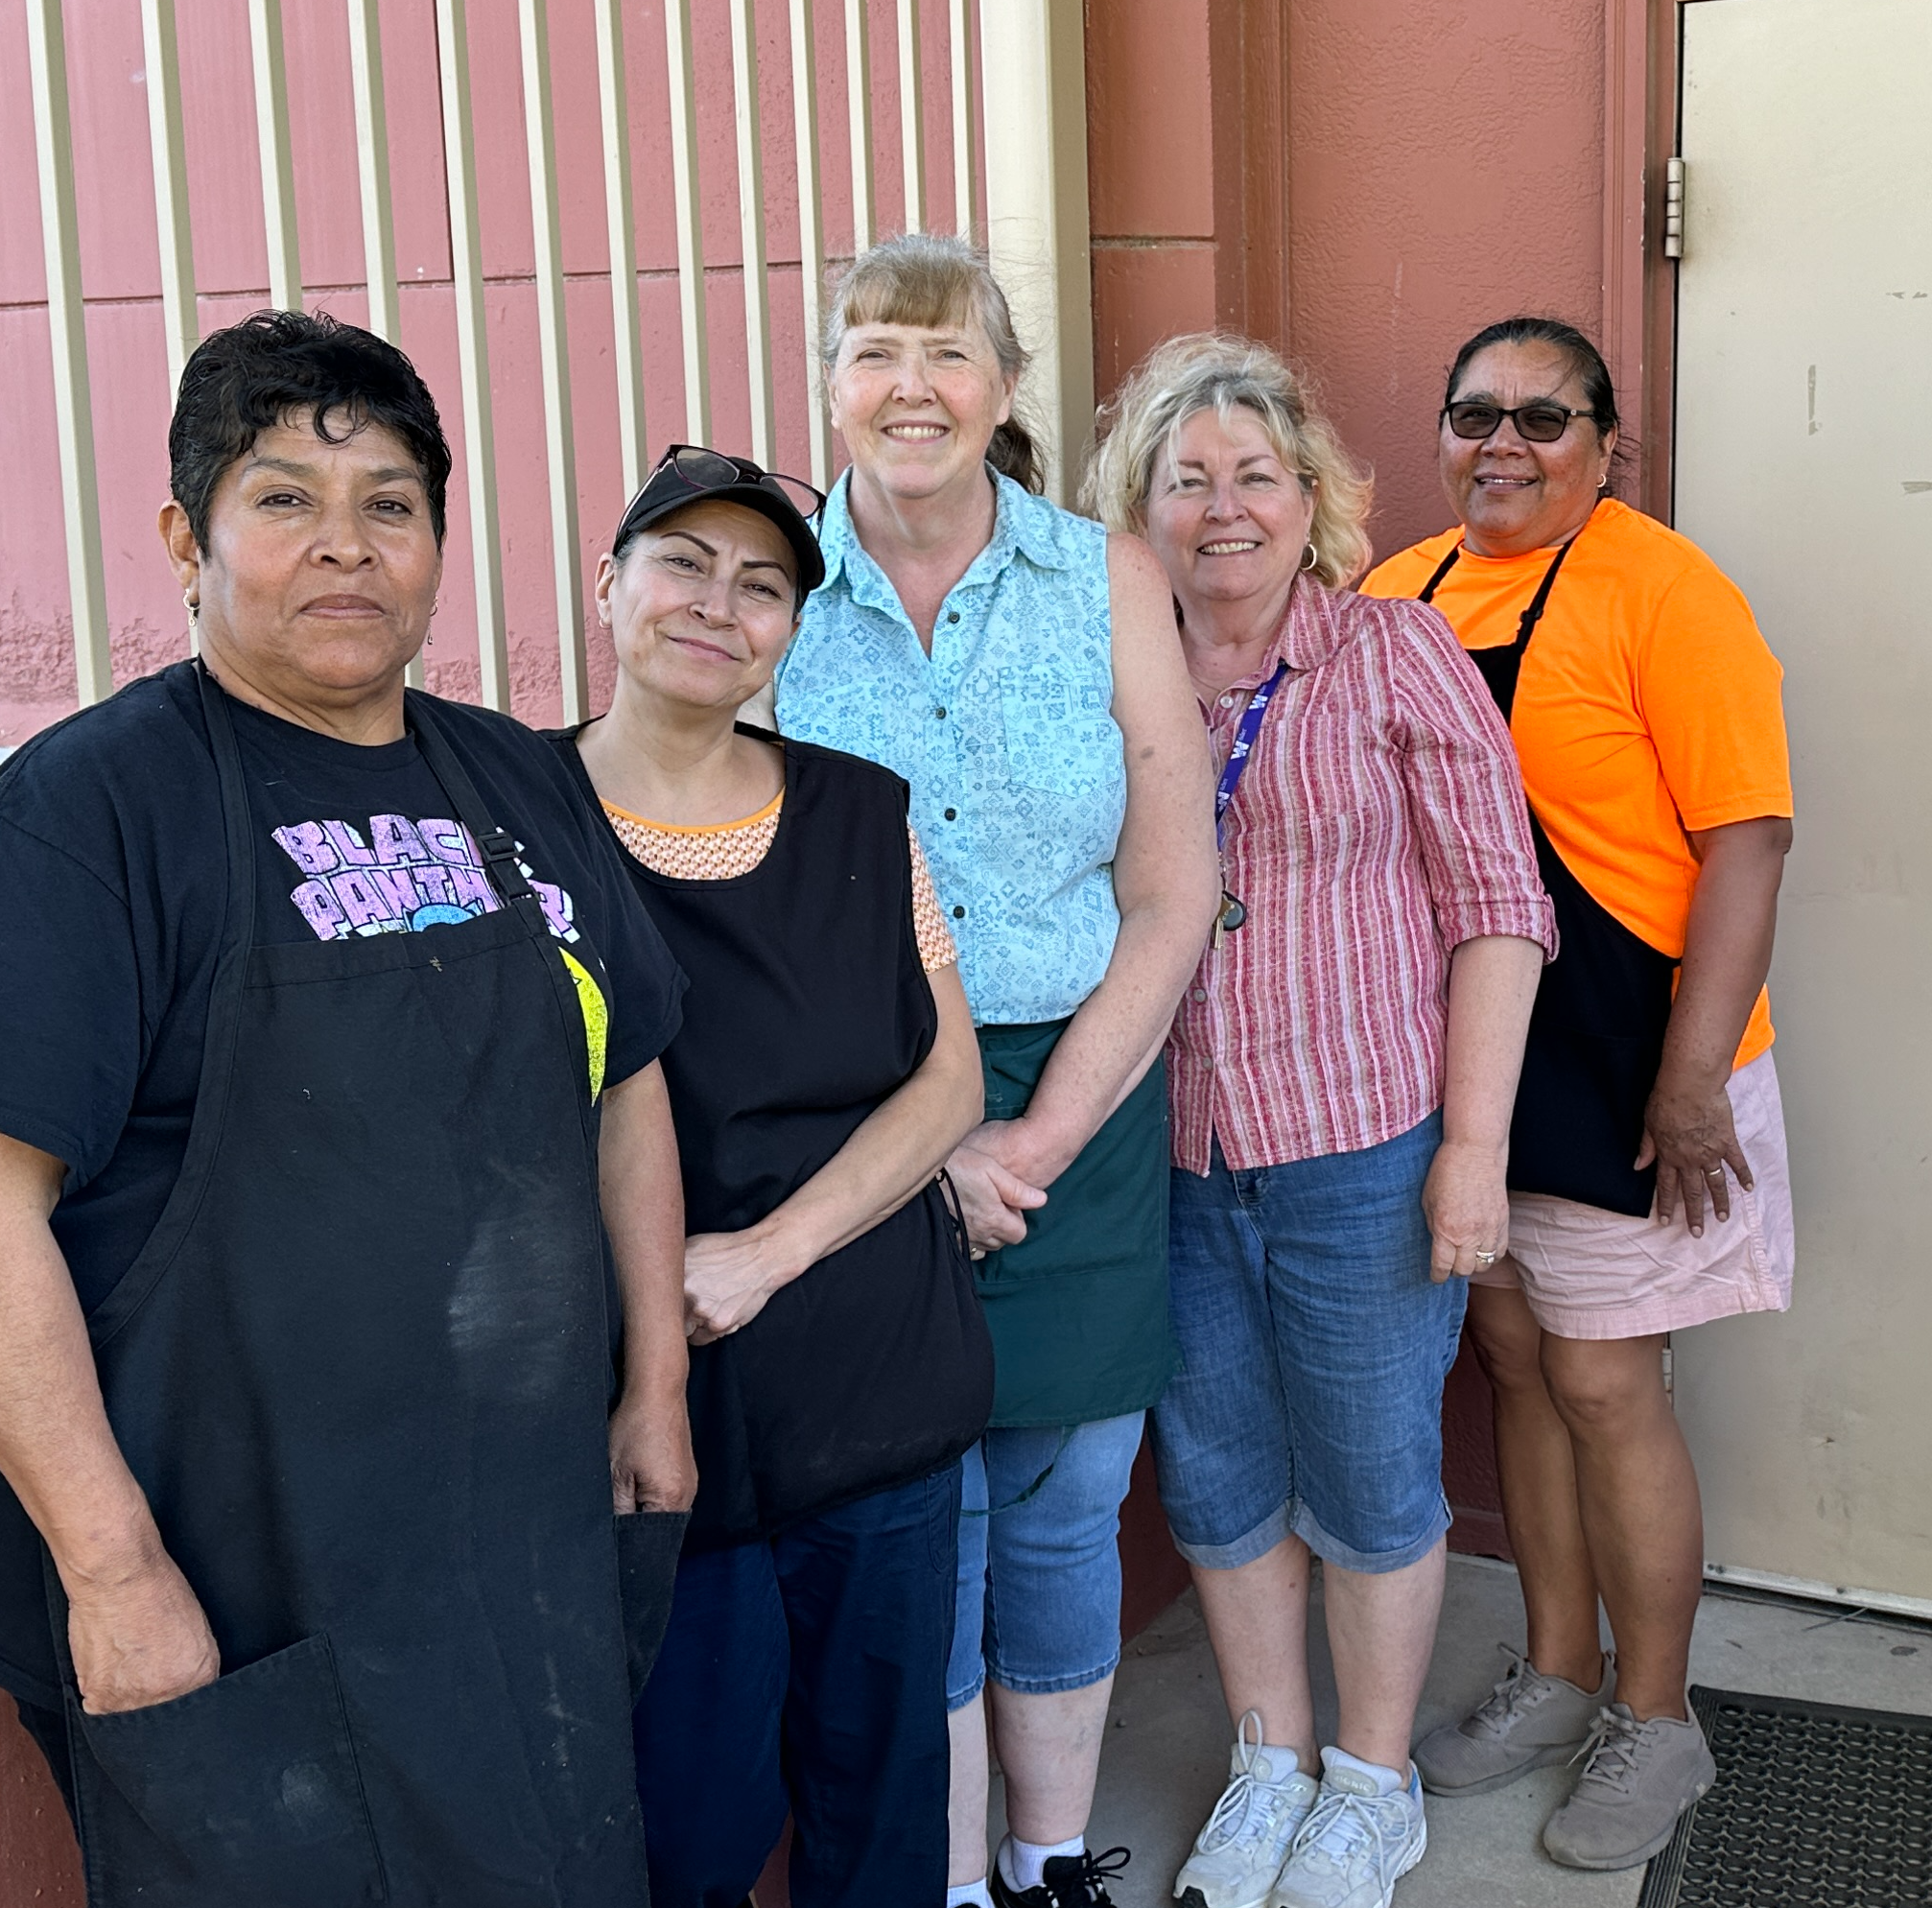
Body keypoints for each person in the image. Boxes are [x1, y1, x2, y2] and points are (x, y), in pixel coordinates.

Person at [0, 312, 695, 1904]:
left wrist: (653, 1384)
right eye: (283, 500)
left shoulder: (518, 779)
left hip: (520, 1548)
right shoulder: (86, 809)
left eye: (389, 503)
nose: (344, 548)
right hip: (238, 1577)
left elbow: (627, 1079)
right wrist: (111, 1572)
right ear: (186, 536)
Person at [774, 235, 1220, 1908]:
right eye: (874, 351)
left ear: (1006, 389)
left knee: (1057, 1507)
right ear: (828, 381)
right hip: (852, 1102)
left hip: (1075, 1095)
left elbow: (1170, 893)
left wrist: (1029, 1135)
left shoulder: (1098, 574)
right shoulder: (768, 586)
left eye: (948, 355)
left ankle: (1044, 1865)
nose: (910, 387)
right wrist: (934, 1136)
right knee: (914, 1533)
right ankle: (940, 1882)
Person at [1084, 331, 1555, 1908]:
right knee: (1214, 1476)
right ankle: (1267, 1764)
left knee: (1367, 1477)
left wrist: (1472, 1151)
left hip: (1361, 1143)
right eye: (1183, 477)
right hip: (1164, 1151)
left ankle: (1369, 1782)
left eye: (1254, 475)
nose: (1222, 508)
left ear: (1312, 498)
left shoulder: (1393, 653)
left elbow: (1500, 905)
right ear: (1134, 504)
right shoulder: (1109, 669)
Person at [1362, 317, 1795, 1872]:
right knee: (1517, 1360)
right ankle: (1554, 1673)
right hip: (1477, 1060)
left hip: (1630, 1059)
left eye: (1543, 418)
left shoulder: (1665, 592)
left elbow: (1745, 841)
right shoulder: (1392, 591)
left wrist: (1690, 1079)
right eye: (1473, 411)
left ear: (1609, 443)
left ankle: (1655, 1717)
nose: (1503, 443)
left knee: (1610, 1380)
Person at [553, 443, 995, 1907]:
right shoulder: (514, 820)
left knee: (880, 1799)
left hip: (872, 1376)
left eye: (762, 586)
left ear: (790, 632)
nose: (717, 605)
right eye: (683, 563)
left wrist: (770, 1251)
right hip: (650, 1406)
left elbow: (949, 1080)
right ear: (609, 584)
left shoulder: (861, 809)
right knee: (688, 1819)